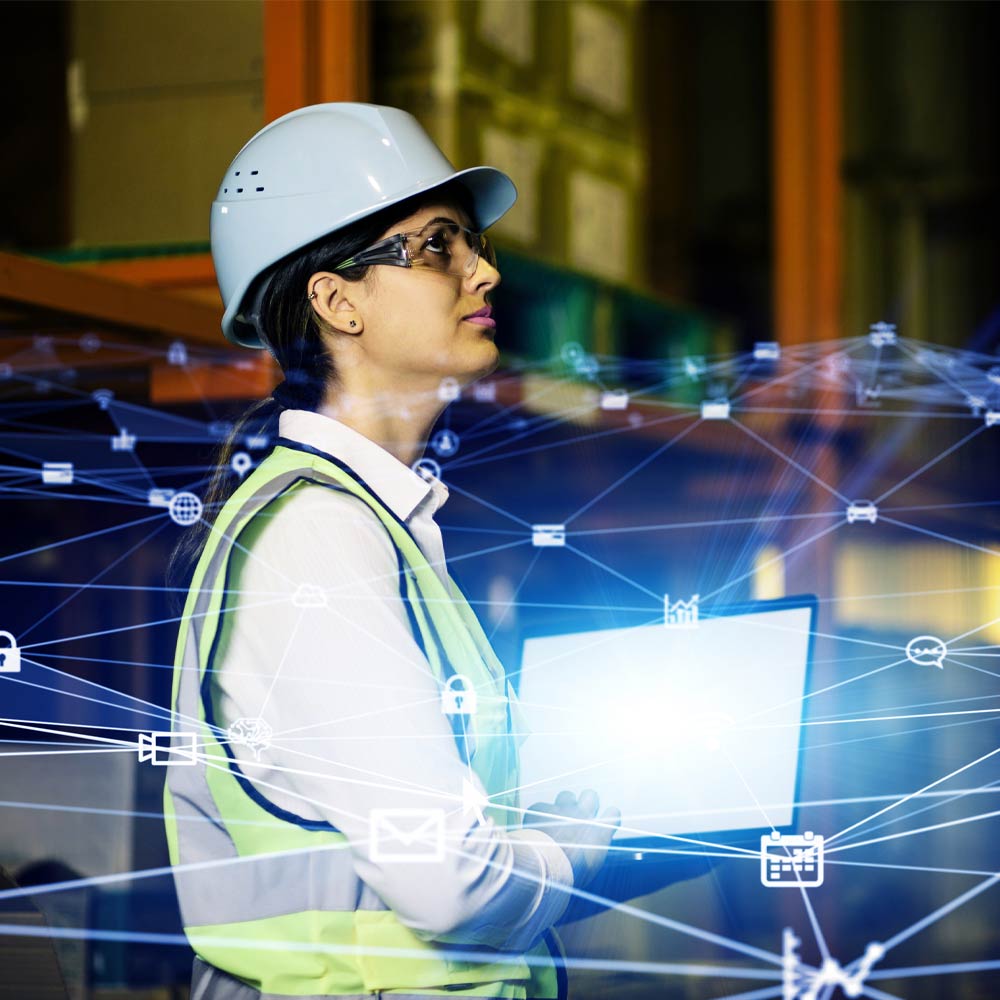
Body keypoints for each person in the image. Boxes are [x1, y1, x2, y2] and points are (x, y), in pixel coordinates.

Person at [164, 103, 620, 1000]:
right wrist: (577, 851)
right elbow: (446, 885)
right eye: (440, 245)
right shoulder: (316, 539)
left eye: (475, 242)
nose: (484, 270)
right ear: (337, 302)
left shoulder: (379, 522)